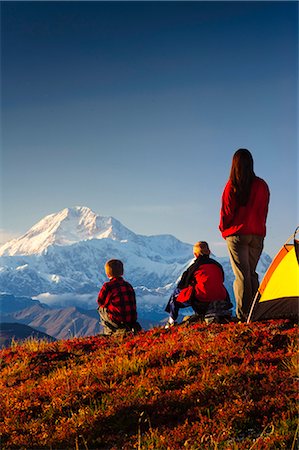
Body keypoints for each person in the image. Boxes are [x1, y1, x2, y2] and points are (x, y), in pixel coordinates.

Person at [219, 148, 270, 322]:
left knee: (241, 275)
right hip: (257, 234)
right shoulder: (262, 185)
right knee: (252, 274)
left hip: (237, 234)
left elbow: (226, 213)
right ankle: (256, 312)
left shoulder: (232, 185)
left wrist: (224, 231)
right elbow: (264, 211)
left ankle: (243, 316)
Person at [165, 241, 232, 328]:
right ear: (209, 252)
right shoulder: (217, 265)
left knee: (176, 294)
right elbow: (221, 279)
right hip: (221, 297)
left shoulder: (195, 266)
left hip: (203, 297)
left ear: (195, 254)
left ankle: (171, 321)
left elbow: (182, 284)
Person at [97, 259, 141, 335]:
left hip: (117, 321)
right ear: (122, 272)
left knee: (101, 309)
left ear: (107, 274)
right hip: (131, 321)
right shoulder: (128, 285)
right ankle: (129, 327)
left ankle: (110, 331)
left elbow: (100, 302)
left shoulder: (108, 286)